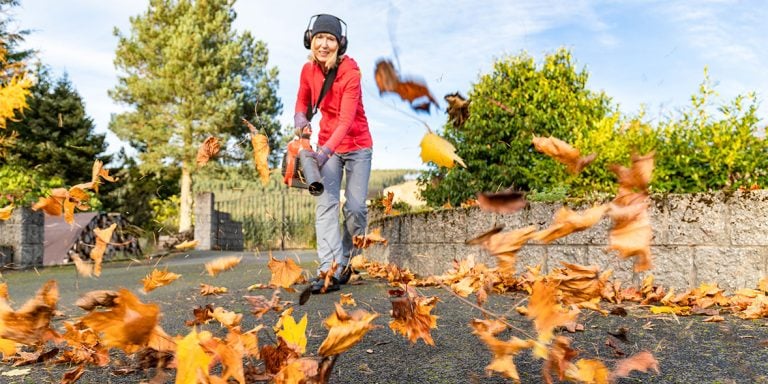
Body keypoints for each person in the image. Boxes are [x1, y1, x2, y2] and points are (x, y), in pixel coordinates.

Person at [293, 14, 373, 294]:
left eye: (329, 39)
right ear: (310, 40)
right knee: (325, 205)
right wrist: (300, 121)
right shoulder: (307, 71)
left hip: (357, 145)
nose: (323, 44)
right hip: (327, 144)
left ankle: (348, 260)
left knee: (355, 209)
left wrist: (323, 154)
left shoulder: (351, 72)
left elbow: (346, 121)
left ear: (340, 43)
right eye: (318, 38)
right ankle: (329, 269)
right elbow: (302, 103)